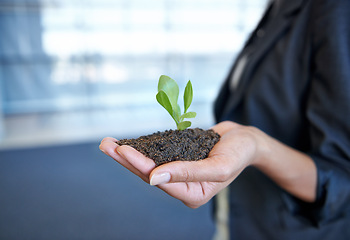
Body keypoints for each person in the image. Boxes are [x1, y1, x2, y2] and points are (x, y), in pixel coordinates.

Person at [99, 0, 350, 239]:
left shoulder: (334, 9)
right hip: (234, 218)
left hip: (285, 229)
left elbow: (342, 178)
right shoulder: (277, 7)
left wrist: (257, 147)